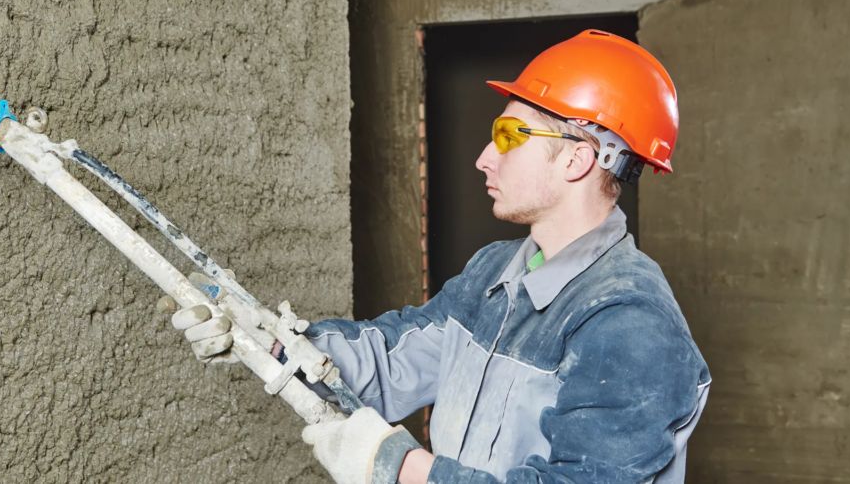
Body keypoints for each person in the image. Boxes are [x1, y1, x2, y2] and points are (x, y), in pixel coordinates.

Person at [170, 30, 711, 484]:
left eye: (508, 136)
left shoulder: (630, 322)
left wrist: (397, 466)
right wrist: (266, 339)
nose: (483, 158)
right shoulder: (494, 272)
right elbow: (390, 364)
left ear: (576, 158)